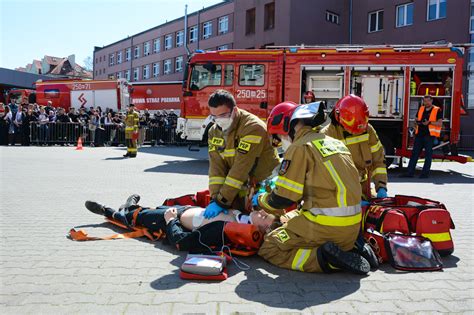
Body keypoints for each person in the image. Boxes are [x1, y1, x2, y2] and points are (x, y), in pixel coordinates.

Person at [253, 101, 371, 274]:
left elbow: (283, 199)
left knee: (270, 246)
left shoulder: (299, 147)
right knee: (291, 217)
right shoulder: (335, 143)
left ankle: (326, 260)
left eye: (278, 138)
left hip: (325, 228)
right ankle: (353, 249)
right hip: (352, 229)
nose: (280, 144)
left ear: (288, 127)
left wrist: (259, 200)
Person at [83, 195, 278, 253]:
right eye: (264, 212)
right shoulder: (241, 216)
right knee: (146, 210)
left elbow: (182, 242)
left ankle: (106, 210)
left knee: (132, 218)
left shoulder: (226, 231)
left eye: (263, 217)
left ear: (261, 229)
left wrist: (171, 220)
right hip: (184, 209)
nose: (261, 212)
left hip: (170, 219)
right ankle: (131, 204)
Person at [204, 89, 280, 218]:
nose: (219, 120)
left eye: (223, 115)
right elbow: (216, 168)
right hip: (240, 184)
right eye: (214, 116)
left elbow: (241, 167)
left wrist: (221, 202)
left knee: (266, 224)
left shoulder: (252, 127)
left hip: (263, 183)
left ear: (234, 110)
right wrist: (215, 198)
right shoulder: (214, 131)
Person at [321, 95, 388, 199]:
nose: (357, 132)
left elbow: (378, 161)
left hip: (364, 192)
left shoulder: (367, 130)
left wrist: (381, 186)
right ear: (339, 117)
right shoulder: (327, 135)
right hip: (339, 195)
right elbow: (326, 174)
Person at [400, 95, 442, 178]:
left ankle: (424, 174)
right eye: (424, 101)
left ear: (431, 101)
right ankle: (409, 173)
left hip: (429, 136)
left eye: (428, 101)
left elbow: (440, 123)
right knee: (414, 154)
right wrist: (416, 122)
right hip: (419, 135)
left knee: (428, 155)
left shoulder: (437, 109)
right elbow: (416, 119)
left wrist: (429, 123)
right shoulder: (421, 108)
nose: (426, 103)